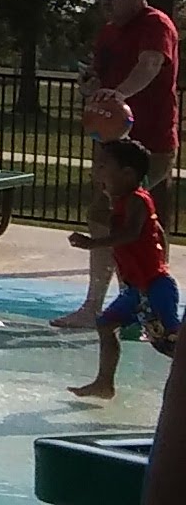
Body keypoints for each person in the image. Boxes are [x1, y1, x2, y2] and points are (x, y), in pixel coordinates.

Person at [56, 0, 183, 330]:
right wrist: (91, 88)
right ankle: (111, 305)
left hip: (150, 143)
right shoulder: (109, 33)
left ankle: (134, 308)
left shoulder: (156, 24)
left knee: (128, 220)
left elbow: (150, 65)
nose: (105, 2)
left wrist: (119, 94)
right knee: (113, 217)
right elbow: (102, 81)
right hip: (113, 141)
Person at [71, 137, 180, 399]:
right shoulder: (124, 201)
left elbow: (131, 234)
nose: (97, 171)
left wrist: (92, 243)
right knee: (106, 324)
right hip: (136, 290)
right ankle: (104, 383)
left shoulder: (137, 199)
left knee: (170, 342)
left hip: (155, 287)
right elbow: (157, 230)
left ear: (127, 174)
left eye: (103, 166)